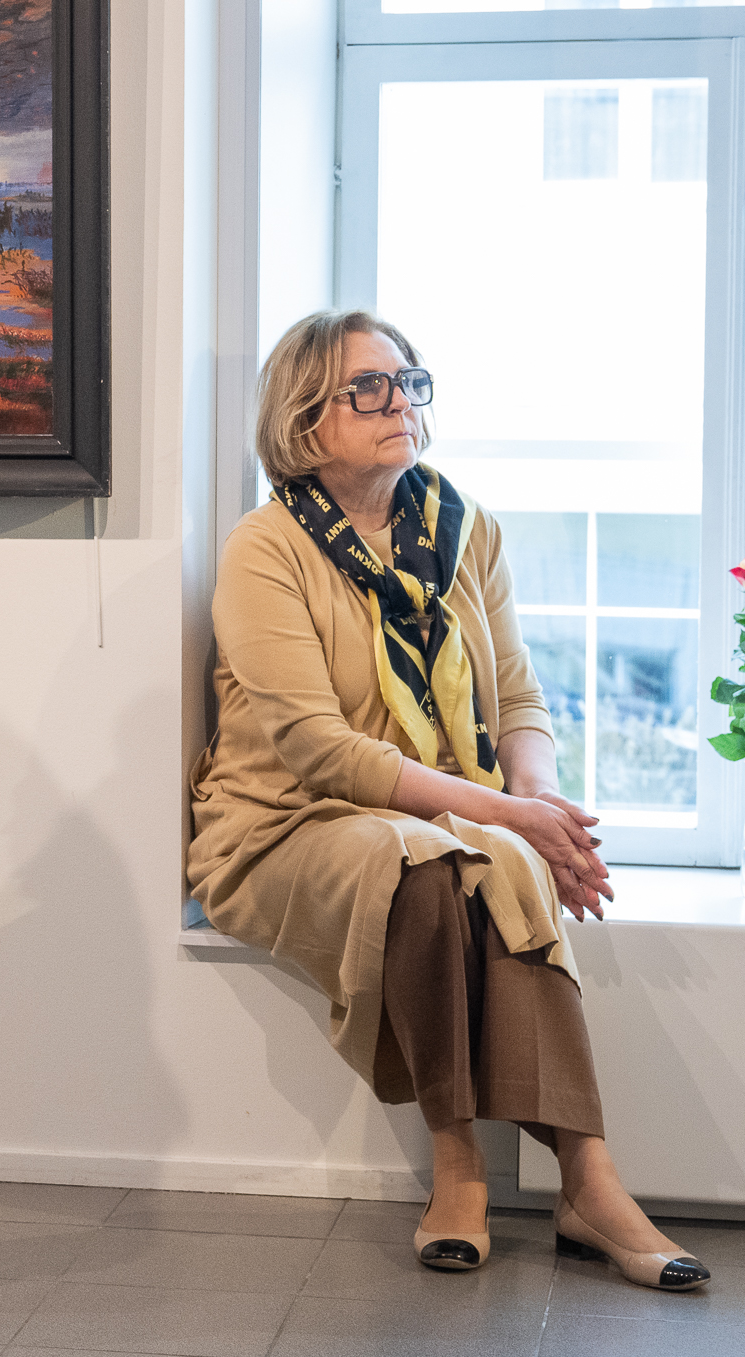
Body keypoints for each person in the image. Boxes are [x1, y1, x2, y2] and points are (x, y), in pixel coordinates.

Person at [191, 309, 710, 1293]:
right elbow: (318, 751)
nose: (401, 403)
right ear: (303, 418)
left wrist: (540, 805)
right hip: (282, 823)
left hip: (426, 811)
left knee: (487, 857)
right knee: (433, 862)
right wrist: (503, 815)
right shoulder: (264, 549)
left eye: (409, 382)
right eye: (369, 388)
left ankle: (588, 1181)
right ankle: (458, 1163)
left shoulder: (464, 530)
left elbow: (518, 696)